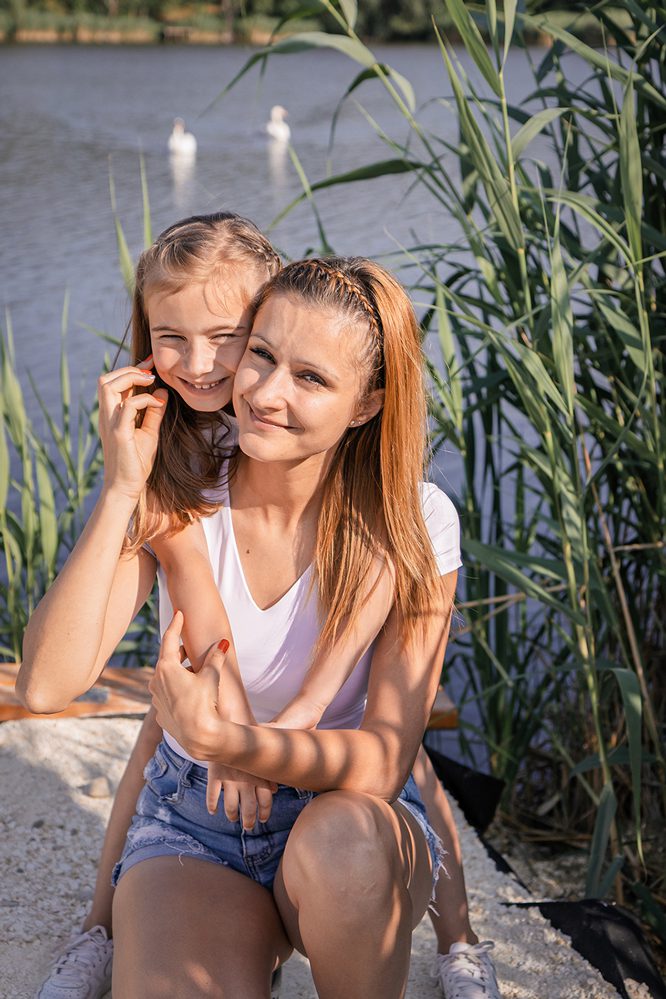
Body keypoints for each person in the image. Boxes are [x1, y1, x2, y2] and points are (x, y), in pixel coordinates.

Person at [19, 224, 500, 998]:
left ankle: (454, 939)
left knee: (346, 847)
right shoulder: (178, 494)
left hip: (345, 815)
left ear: (365, 404)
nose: (263, 390)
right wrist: (118, 491)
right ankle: (142, 932)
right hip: (198, 820)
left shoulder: (413, 519)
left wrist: (234, 739)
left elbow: (383, 761)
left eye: (309, 377)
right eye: (264, 356)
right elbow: (44, 686)